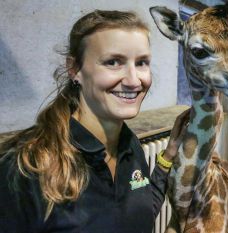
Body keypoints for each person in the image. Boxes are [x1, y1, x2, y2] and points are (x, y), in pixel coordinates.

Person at [0, 10, 189, 233]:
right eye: (113, 62)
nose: (133, 80)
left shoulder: (130, 147)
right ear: (75, 69)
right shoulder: (25, 166)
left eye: (141, 63)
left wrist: (168, 156)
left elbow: (136, 212)